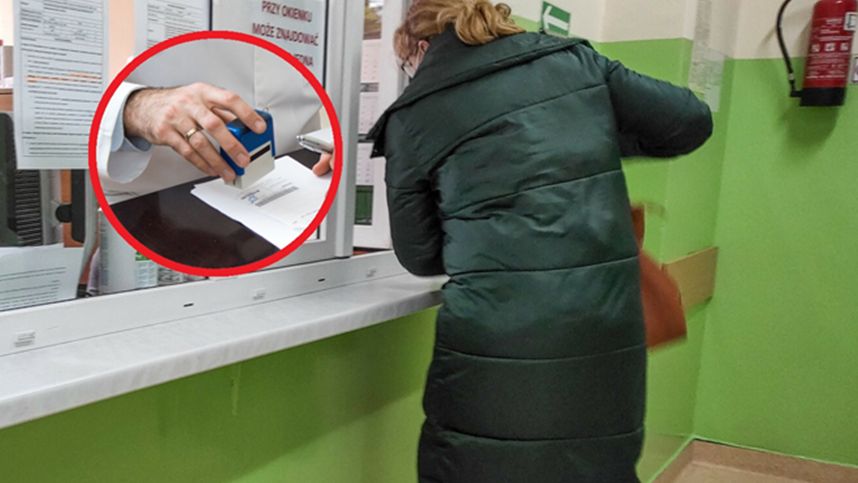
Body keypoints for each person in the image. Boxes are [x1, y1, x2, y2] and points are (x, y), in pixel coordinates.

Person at [367, 1, 713, 482]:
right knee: (596, 463)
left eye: (406, 64)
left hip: (494, 331)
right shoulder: (572, 61)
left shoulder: (414, 114)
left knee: (479, 465)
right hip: (603, 319)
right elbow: (690, 121)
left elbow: (420, 255)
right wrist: (586, 140)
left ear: (422, 48)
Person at [97, 39, 327, 204]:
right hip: (154, 203)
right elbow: (82, 94)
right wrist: (137, 107)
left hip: (299, 183)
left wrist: (334, 142)